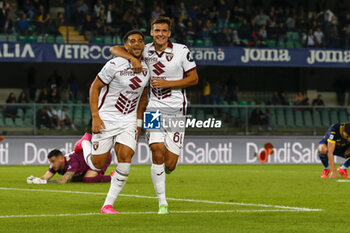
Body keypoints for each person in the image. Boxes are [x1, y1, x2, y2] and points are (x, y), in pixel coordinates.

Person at [109, 16, 199, 214]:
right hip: (153, 108)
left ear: (169, 33)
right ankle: (162, 203)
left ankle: (165, 170)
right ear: (151, 32)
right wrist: (132, 58)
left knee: (171, 164)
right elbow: (114, 49)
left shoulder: (181, 51)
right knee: (157, 150)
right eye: (157, 31)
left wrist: (168, 83)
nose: (160, 34)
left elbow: (194, 79)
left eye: (164, 31)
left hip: (176, 110)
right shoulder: (145, 49)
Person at [84, 30, 150, 214]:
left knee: (126, 158)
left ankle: (107, 205)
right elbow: (95, 87)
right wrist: (95, 116)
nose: (137, 44)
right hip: (106, 119)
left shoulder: (148, 67)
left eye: (140, 41)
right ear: (126, 46)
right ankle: (85, 144)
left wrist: (138, 123)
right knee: (96, 165)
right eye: (132, 41)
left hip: (128, 120)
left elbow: (144, 95)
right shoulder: (114, 64)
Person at [27, 133, 112, 184]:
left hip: (100, 157)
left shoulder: (72, 162)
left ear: (61, 159)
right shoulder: (56, 165)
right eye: (50, 162)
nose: (51, 165)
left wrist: (44, 182)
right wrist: (35, 179)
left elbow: (65, 180)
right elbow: (45, 177)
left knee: (88, 179)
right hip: (88, 162)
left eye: (53, 161)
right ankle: (97, 175)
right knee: (79, 179)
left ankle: (113, 177)